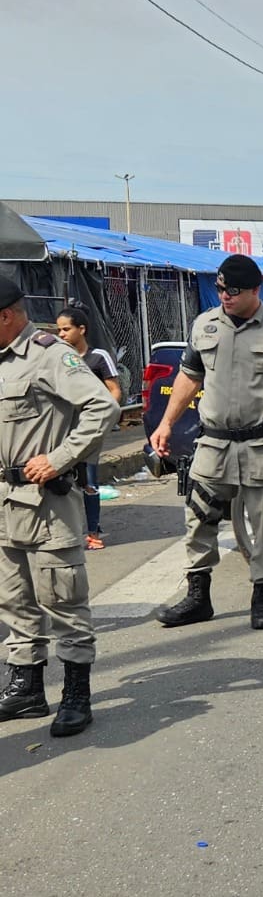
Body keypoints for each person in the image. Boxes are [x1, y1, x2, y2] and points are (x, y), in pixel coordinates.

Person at [149, 255, 263, 631]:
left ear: (256, 290)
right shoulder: (205, 326)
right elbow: (188, 378)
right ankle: (198, 597)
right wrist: (166, 424)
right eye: (221, 288)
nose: (225, 296)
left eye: (233, 291)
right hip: (213, 444)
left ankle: (261, 599)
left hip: (261, 445)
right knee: (197, 518)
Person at [0, 277, 120, 736]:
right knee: (13, 600)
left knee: (62, 600)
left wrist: (59, 458)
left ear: (7, 316)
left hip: (46, 504)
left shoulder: (50, 355)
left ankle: (76, 693)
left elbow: (102, 409)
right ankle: (27, 688)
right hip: (5, 503)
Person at [54, 306, 121, 550]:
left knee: (89, 481)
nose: (61, 334)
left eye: (66, 329)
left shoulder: (97, 357)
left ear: (82, 329)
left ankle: (93, 533)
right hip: (62, 429)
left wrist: (103, 420)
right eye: (59, 329)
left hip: (89, 429)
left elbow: (114, 390)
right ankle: (66, 530)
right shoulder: (57, 358)